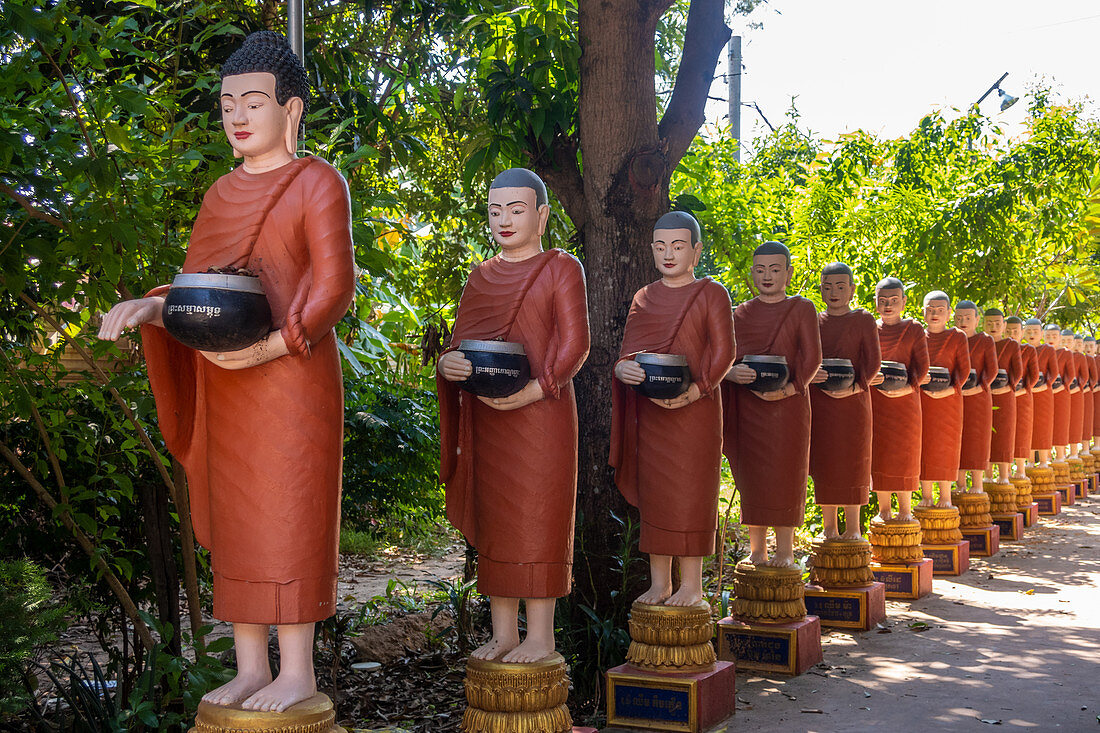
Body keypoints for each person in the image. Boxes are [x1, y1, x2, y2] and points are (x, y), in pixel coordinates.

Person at [98, 32, 355, 713]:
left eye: (253, 102)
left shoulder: (317, 182)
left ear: (291, 112)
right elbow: (197, 287)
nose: (237, 116)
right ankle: (248, 663)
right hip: (225, 382)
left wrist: (272, 347)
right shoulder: (219, 194)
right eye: (226, 105)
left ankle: (295, 667)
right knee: (241, 519)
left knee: (290, 512)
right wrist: (152, 307)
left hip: (293, 378)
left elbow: (333, 285)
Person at [437, 168, 590, 664]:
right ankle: (504, 632)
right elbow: (461, 342)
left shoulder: (561, 268)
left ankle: (540, 635)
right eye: (495, 210)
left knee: (538, 517)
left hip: (541, 417)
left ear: (542, 215)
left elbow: (575, 345)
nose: (504, 220)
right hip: (487, 418)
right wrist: (448, 363)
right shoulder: (480, 277)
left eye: (517, 209)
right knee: (497, 519)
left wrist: (535, 389)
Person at [611, 212, 734, 606]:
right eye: (661, 246)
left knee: (692, 493)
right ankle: (660, 581)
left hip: (695, 412)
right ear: (651, 249)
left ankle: (692, 585)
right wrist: (623, 368)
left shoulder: (711, 293)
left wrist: (698, 390)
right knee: (657, 495)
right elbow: (627, 353)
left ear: (696, 251)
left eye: (678, 246)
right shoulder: (643, 298)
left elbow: (725, 352)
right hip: (652, 415)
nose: (669, 254)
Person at [723, 241, 822, 567]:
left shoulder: (802, 309)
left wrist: (791, 388)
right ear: (752, 273)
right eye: (761, 270)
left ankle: (785, 550)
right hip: (749, 408)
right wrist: (732, 372)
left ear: (788, 273)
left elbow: (812, 358)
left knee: (785, 475)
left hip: (788, 407)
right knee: (752, 477)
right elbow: (728, 357)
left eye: (775, 269)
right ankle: (757, 550)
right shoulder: (740, 314)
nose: (767, 276)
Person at [808, 263, 880, 539]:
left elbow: (873, 362)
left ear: (852, 289)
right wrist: (812, 375)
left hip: (854, 404)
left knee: (853, 462)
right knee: (826, 462)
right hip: (821, 403)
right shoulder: (814, 320)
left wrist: (857, 387)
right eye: (827, 287)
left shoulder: (863, 320)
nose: (833, 292)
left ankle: (853, 528)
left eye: (840, 287)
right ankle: (829, 528)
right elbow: (806, 358)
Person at [869, 277, 929, 521]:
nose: (888, 306)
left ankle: (905, 509)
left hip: (906, 402)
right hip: (876, 401)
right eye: (882, 301)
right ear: (876, 303)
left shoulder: (913, 329)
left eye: (894, 301)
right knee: (879, 452)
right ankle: (884, 509)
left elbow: (922, 366)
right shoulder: (870, 328)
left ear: (904, 302)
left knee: (904, 452)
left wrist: (908, 387)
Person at [918, 292, 971, 507]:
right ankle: (926, 496)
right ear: (923, 312)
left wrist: (950, 389)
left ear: (949, 313)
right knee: (924, 445)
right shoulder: (917, 336)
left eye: (940, 310)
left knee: (946, 445)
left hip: (949, 400)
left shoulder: (957, 337)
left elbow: (964, 370)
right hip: (922, 399)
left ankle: (946, 496)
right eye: (930, 310)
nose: (934, 314)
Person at [954, 300, 996, 494]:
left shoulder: (985, 340)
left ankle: (977, 484)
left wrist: (980, 386)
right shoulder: (951, 338)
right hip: (954, 396)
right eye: (960, 317)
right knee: (956, 438)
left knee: (977, 438)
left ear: (977, 320)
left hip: (979, 396)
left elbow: (992, 369)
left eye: (968, 318)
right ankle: (959, 483)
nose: (964, 321)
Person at [983, 309, 1022, 483]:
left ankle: (1004, 475)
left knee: (1004, 434)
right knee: (984, 434)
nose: (993, 327)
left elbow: (1018, 371)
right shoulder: (980, 343)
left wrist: (1009, 387)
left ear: (1004, 325)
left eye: (997, 323)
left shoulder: (1011, 345)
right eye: (989, 323)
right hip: (983, 394)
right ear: (982, 324)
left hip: (1005, 395)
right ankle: (987, 475)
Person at [1005, 316, 1040, 477]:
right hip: (1002, 396)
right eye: (1008, 330)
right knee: (1003, 432)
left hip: (1023, 396)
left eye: (1015, 331)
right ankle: (1002, 472)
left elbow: (1033, 376)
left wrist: (1023, 389)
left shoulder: (1028, 350)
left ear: (1022, 332)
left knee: (1021, 432)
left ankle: (1020, 469)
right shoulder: (998, 348)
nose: (1012, 334)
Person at [1023, 318, 1057, 467]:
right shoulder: (1021, 349)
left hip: (1043, 393)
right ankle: (1029, 460)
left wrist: (1045, 385)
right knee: (1027, 426)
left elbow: (1054, 373)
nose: (1032, 334)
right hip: (1025, 393)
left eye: (1035, 331)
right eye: (1029, 331)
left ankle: (1044, 460)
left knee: (1042, 425)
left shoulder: (1048, 350)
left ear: (1041, 333)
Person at [1046, 324, 1075, 462]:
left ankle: (1060, 455)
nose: (1051, 339)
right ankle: (1045, 457)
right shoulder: (1041, 351)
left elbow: (1070, 375)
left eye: (1054, 336)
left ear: (1060, 338)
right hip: (1044, 393)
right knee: (1044, 424)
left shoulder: (1066, 353)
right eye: (1048, 336)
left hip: (1061, 392)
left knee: (1060, 424)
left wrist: (1061, 386)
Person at [1072, 333, 1091, 459]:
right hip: (1066, 392)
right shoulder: (1067, 355)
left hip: (1083, 392)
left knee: (1083, 421)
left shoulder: (1083, 358)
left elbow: (1089, 377)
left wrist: (1080, 387)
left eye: (1080, 344)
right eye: (1076, 343)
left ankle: (1083, 448)